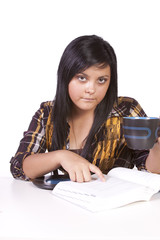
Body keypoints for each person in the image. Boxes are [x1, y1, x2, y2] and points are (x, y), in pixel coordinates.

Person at [10, 35, 160, 182]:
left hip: (112, 202)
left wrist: (157, 148)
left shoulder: (126, 110)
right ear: (65, 76)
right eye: (82, 78)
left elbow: (149, 169)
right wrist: (61, 156)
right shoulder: (47, 113)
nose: (91, 89)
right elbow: (20, 167)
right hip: (60, 203)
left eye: (101, 80)